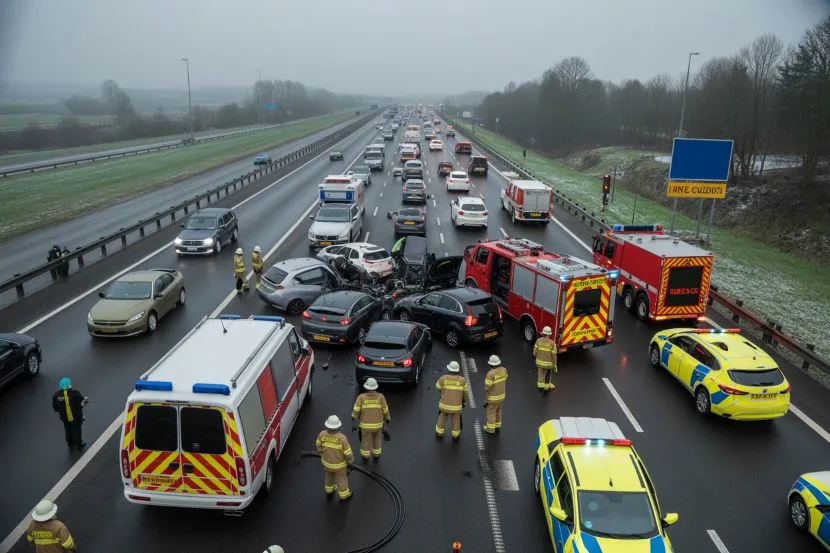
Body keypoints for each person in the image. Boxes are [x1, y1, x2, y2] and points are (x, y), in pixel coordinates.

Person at [315, 415, 354, 501]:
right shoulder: (342, 438)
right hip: (340, 466)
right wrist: (350, 461)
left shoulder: (322, 434)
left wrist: (322, 454)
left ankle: (329, 490)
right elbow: (347, 453)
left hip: (327, 464)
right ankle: (344, 495)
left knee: (329, 476)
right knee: (341, 479)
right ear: (338, 426)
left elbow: (318, 444)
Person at [351, 378, 390, 460]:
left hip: (365, 426)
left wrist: (354, 418)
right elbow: (385, 410)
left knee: (365, 440)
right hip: (378, 425)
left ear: (366, 388)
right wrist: (387, 419)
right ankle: (376, 454)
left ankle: (365, 456)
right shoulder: (381, 397)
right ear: (376, 387)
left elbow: (356, 410)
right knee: (377, 439)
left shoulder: (361, 397)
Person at [435, 361, 469, 441]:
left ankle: (439, 433)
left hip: (444, 405)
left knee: (442, 418)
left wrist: (444, 392)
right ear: (457, 370)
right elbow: (465, 393)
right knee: (456, 421)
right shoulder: (462, 380)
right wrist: (464, 402)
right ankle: (455, 436)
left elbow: (437, 387)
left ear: (449, 369)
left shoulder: (443, 378)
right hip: (456, 407)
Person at [52, 378, 87, 450]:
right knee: (76, 429)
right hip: (76, 417)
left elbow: (55, 407)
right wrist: (85, 400)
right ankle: (79, 444)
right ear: (70, 385)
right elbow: (81, 404)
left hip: (64, 417)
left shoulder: (56, 395)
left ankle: (70, 443)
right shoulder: (76, 393)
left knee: (67, 429)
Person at [483, 355, 508, 435]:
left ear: (491, 364)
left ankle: (490, 429)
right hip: (502, 396)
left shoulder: (490, 373)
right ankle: (497, 426)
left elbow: (487, 387)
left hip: (493, 398)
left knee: (491, 412)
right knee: (498, 410)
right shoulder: (504, 370)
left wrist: (486, 398)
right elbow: (505, 378)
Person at [533, 326, 557, 391]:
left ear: (543, 333)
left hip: (539, 362)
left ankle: (540, 386)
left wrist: (535, 358)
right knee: (548, 374)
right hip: (548, 364)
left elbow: (534, 352)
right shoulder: (552, 343)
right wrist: (554, 363)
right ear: (549, 334)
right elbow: (554, 354)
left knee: (540, 373)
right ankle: (546, 386)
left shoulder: (538, 341)